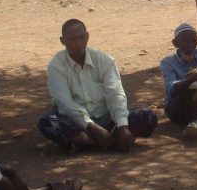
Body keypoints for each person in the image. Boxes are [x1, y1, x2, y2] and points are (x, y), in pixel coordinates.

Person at [38, 19, 157, 152]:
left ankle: (86, 142)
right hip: (76, 122)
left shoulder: (104, 60)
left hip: (106, 117)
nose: (78, 43)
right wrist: (92, 127)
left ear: (87, 37)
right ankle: (110, 143)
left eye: (81, 38)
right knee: (48, 123)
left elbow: (115, 94)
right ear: (63, 41)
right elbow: (66, 104)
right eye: (72, 39)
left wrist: (122, 126)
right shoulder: (56, 66)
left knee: (147, 116)